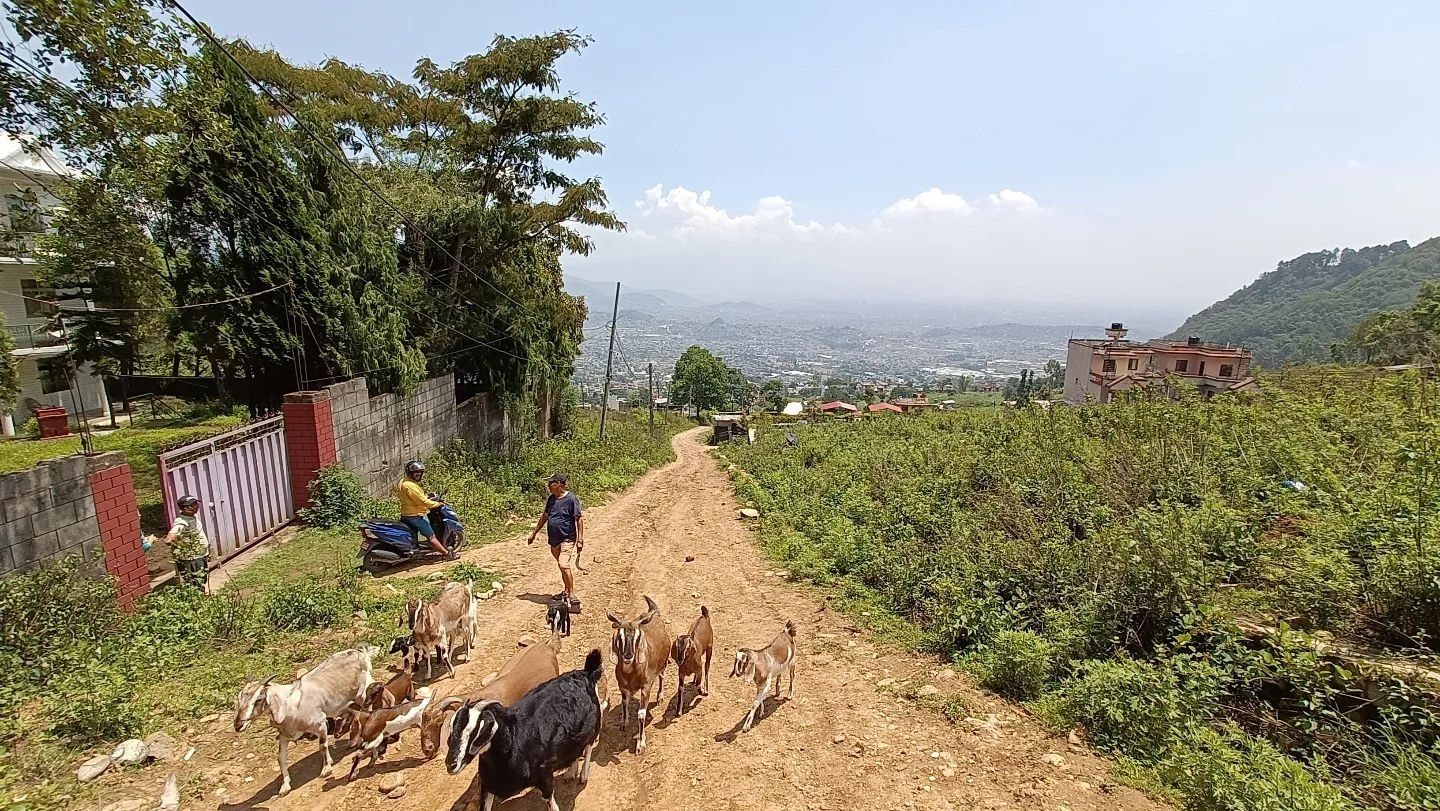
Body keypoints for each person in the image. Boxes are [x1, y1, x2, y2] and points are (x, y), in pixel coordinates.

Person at [528, 473, 583, 605]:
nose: (548, 486)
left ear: (559, 484)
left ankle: (572, 594)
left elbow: (579, 519)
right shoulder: (552, 499)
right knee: (561, 566)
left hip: (567, 538)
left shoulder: (571, 499)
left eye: (551, 483)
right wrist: (534, 533)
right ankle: (566, 590)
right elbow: (545, 516)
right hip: (554, 540)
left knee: (563, 564)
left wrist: (580, 540)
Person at [395, 461, 456, 560]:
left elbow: (415, 498)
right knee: (431, 536)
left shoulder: (404, 482)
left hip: (406, 513)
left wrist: (427, 496)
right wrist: (438, 504)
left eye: (420, 472)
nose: (418, 474)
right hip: (414, 516)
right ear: (410, 473)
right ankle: (447, 554)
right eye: (416, 472)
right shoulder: (410, 486)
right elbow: (423, 502)